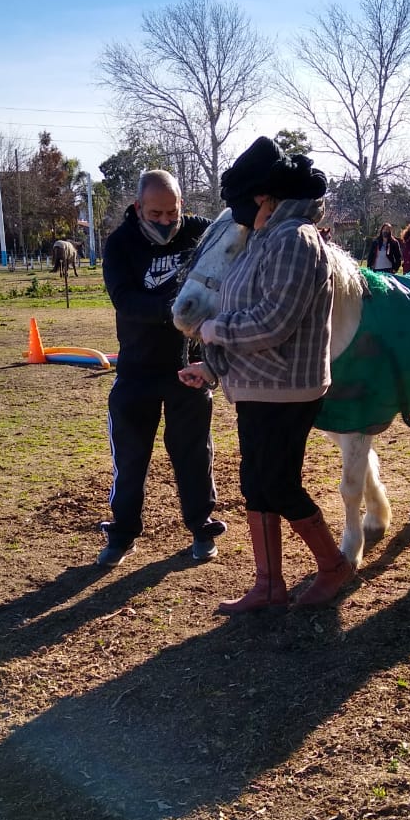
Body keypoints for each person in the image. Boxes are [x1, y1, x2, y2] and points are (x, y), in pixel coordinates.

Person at [178, 136, 353, 614]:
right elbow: (247, 310)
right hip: (257, 386)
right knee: (256, 484)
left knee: (279, 484)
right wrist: (210, 366)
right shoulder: (264, 241)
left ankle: (334, 565)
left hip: (288, 389)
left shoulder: (295, 241)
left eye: (238, 202)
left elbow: (274, 322)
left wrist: (212, 329)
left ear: (262, 198)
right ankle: (269, 586)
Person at [98, 169, 224, 568]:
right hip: (136, 369)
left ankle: (201, 527)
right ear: (138, 208)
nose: (167, 222)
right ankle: (123, 533)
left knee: (193, 453)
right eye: (156, 215)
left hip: (186, 367)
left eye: (173, 213)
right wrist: (180, 312)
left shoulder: (199, 233)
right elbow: (125, 301)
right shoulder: (120, 245)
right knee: (131, 455)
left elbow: (233, 235)